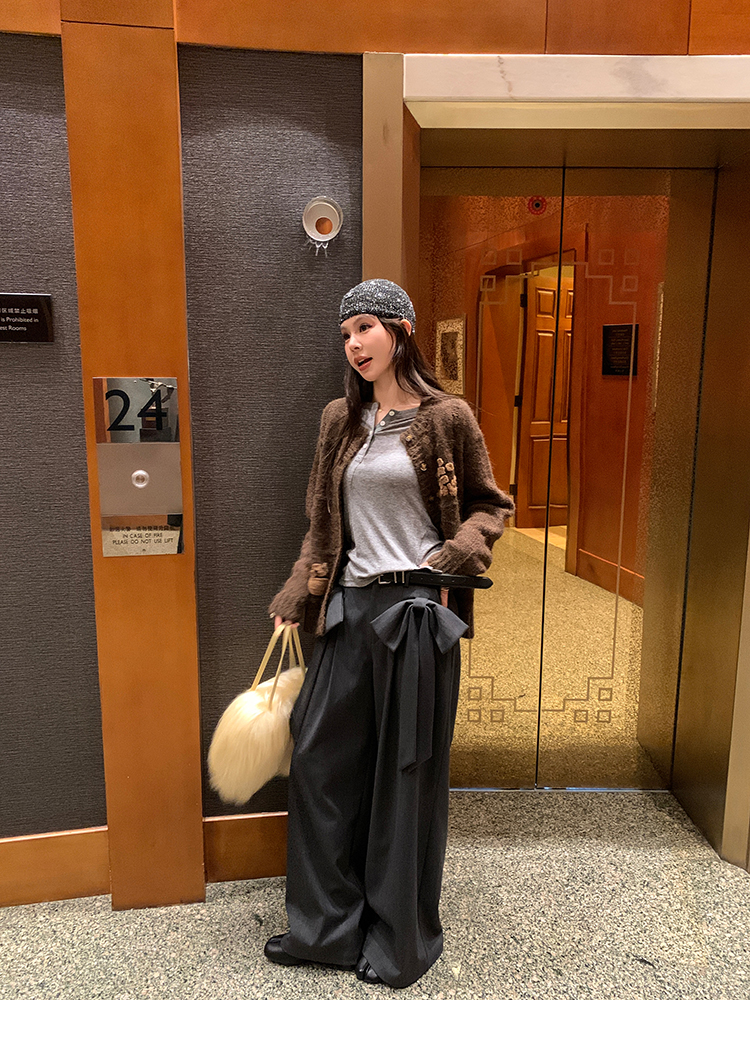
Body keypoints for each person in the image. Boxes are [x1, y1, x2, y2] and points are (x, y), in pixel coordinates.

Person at [264, 279, 514, 989]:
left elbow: (490, 504)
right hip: (347, 609)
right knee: (319, 764)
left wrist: (459, 552)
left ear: (401, 330)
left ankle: (400, 940)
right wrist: (298, 592)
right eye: (345, 334)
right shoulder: (340, 420)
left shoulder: (448, 417)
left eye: (366, 327)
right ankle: (325, 931)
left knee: (406, 777)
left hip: (413, 613)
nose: (353, 344)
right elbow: (321, 522)